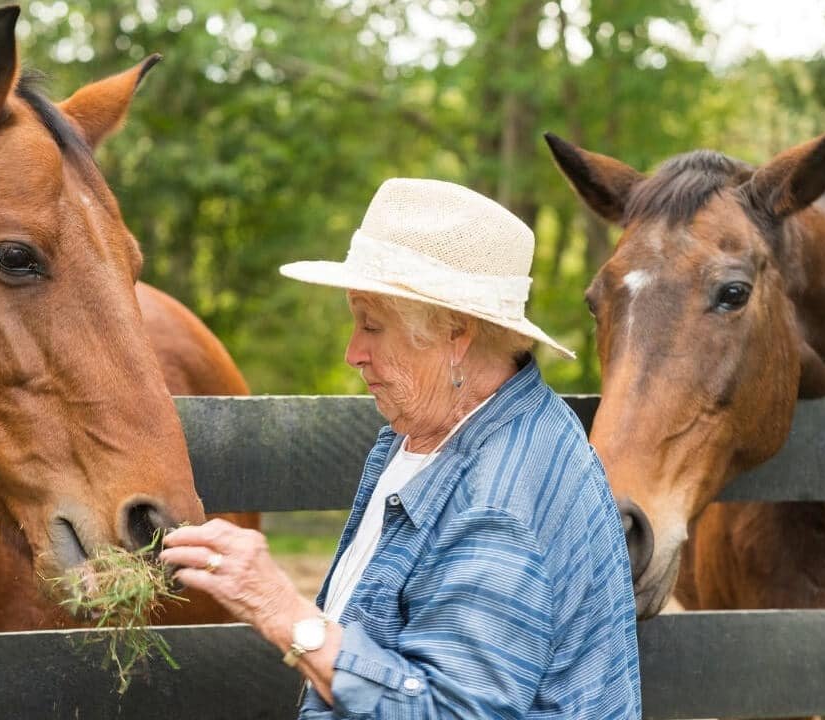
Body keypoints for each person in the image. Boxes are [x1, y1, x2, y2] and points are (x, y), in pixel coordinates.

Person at [160, 178, 641, 718]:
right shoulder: (434, 432)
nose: (352, 352)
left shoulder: (497, 501)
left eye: (372, 325)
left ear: (457, 335)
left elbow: (447, 710)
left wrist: (280, 607)